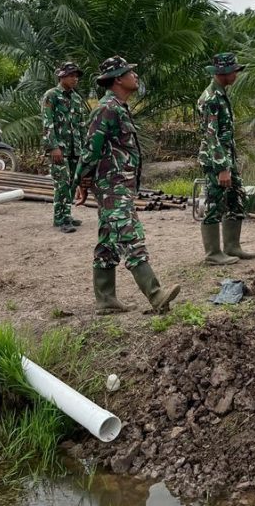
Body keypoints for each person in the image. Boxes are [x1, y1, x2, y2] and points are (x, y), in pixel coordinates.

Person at [76, 56, 181, 314]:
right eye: (130, 73)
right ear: (118, 79)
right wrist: (81, 180)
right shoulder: (106, 109)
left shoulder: (119, 107)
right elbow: (90, 150)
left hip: (119, 183)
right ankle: (156, 295)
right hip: (112, 185)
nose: (135, 76)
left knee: (108, 241)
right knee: (129, 233)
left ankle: (106, 300)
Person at [197, 52, 255, 265]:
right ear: (223, 73)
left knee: (236, 199)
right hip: (215, 161)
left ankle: (232, 246)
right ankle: (213, 253)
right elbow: (210, 136)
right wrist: (222, 167)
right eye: (234, 71)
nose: (236, 74)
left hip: (226, 159)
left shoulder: (221, 94)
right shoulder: (211, 98)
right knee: (215, 203)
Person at [41, 61, 87, 233]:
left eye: (76, 76)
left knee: (72, 183)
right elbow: (47, 122)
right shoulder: (51, 95)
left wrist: (84, 149)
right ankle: (60, 219)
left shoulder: (75, 97)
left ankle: (66, 215)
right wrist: (53, 147)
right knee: (61, 183)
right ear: (61, 76)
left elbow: (81, 124)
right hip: (59, 149)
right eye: (71, 75)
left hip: (75, 149)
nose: (75, 79)